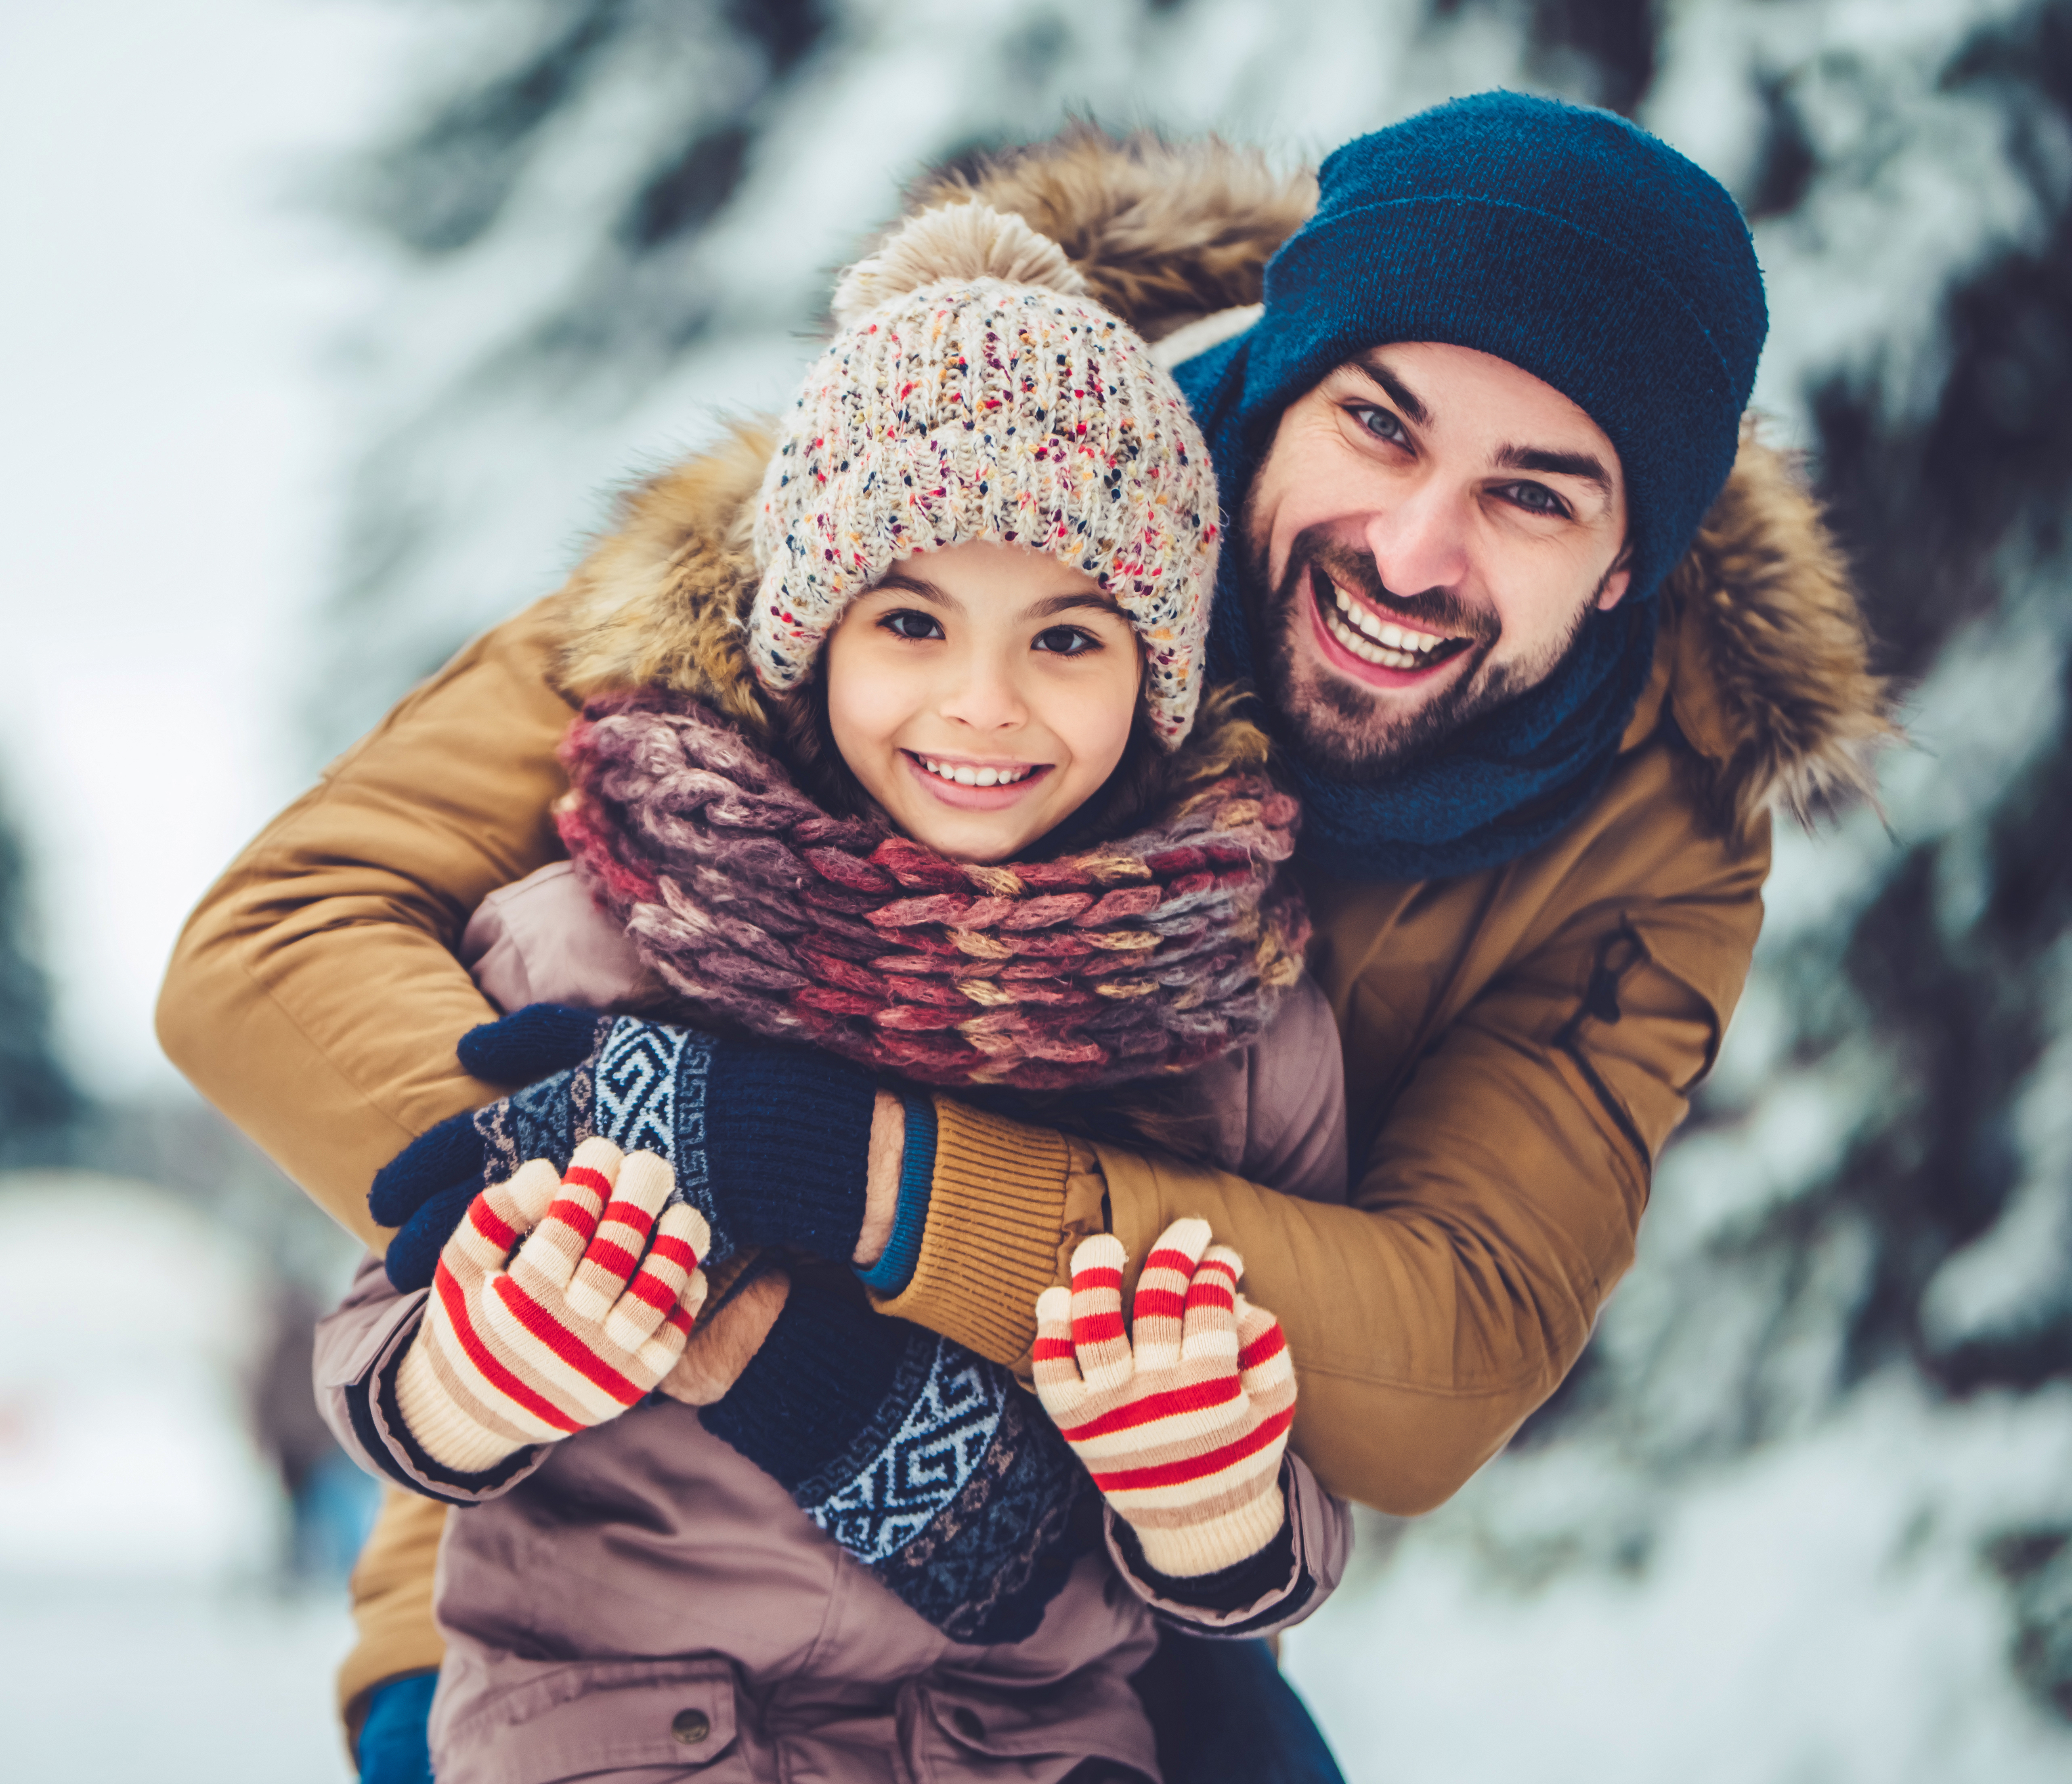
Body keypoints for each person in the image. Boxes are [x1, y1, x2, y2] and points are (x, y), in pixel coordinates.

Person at [158, 92, 1888, 1776]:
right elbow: (273, 949)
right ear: (1282, 386)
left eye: (1534, 495)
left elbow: (1440, 1352)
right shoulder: (939, 486)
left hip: (1084, 1597)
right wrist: (729, 1310)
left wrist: (866, 1177)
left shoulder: (1647, 836)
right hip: (600, 1572)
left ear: (1619, 568)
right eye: (1378, 423)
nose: (1413, 546)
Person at [311, 197, 1353, 1781]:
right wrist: (473, 1376)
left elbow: (1286, 1503)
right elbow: (389, 1323)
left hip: (1023, 1743)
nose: (981, 703)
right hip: (615, 1731)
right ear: (809, 637)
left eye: (1066, 635)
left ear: (1154, 671)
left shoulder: (1236, 1026)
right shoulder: (593, 943)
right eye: (912, 620)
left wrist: (1209, 1507)